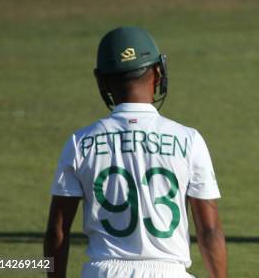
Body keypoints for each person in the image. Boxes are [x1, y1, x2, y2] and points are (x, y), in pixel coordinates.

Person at [44, 26, 227, 278]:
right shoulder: (189, 139)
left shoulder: (79, 142)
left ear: (103, 81)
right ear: (157, 72)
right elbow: (209, 230)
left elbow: (57, 232)